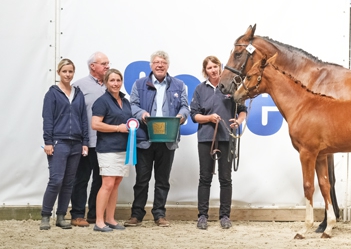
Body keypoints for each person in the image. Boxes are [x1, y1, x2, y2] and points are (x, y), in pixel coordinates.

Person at [124, 51, 190, 228]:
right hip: (145, 138)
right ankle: (136, 214)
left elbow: (185, 106)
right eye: (156, 62)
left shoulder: (179, 84)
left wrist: (182, 116)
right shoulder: (139, 84)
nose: (160, 65)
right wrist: (142, 114)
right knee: (141, 179)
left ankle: (159, 214)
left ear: (168, 66)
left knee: (162, 180)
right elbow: (133, 105)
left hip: (167, 140)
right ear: (151, 65)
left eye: (163, 62)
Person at [190, 56, 247, 230]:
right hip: (206, 137)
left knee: (225, 178)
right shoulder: (200, 89)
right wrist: (208, 118)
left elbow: (243, 111)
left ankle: (224, 216)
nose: (213, 70)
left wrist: (238, 121)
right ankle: (202, 216)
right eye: (209, 68)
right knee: (205, 178)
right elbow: (194, 115)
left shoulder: (232, 87)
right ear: (205, 71)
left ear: (221, 67)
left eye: (215, 66)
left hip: (226, 137)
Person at [40, 59, 89, 230]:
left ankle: (61, 216)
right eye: (64, 71)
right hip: (58, 142)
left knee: (69, 182)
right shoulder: (52, 94)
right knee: (56, 180)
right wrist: (48, 142)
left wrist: (85, 142)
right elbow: (48, 119)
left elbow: (83, 119)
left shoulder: (78, 93)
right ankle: (46, 216)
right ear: (58, 73)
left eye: (70, 71)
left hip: (76, 143)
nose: (68, 75)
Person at [70, 52, 108, 227]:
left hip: (104, 142)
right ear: (93, 66)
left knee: (100, 180)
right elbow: (74, 115)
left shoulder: (111, 85)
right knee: (81, 178)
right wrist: (80, 140)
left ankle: (94, 214)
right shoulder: (79, 86)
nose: (107, 66)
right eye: (104, 63)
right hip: (86, 142)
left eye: (108, 63)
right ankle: (77, 214)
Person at [91, 68, 132, 232]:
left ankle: (110, 218)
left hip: (123, 148)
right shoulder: (102, 101)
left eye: (118, 80)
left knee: (116, 184)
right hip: (108, 149)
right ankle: (99, 221)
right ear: (106, 83)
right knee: (107, 184)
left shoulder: (125, 101)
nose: (115, 83)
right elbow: (95, 124)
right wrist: (117, 128)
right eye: (112, 80)